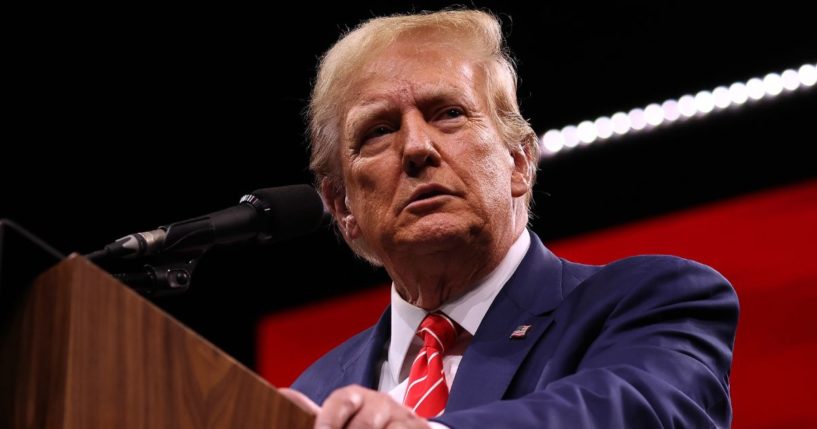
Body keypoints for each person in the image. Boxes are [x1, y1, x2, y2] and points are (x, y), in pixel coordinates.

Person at [278, 9, 738, 429]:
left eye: (450, 114)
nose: (417, 148)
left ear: (519, 163)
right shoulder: (312, 397)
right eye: (379, 130)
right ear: (342, 206)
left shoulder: (650, 302)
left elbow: (643, 410)